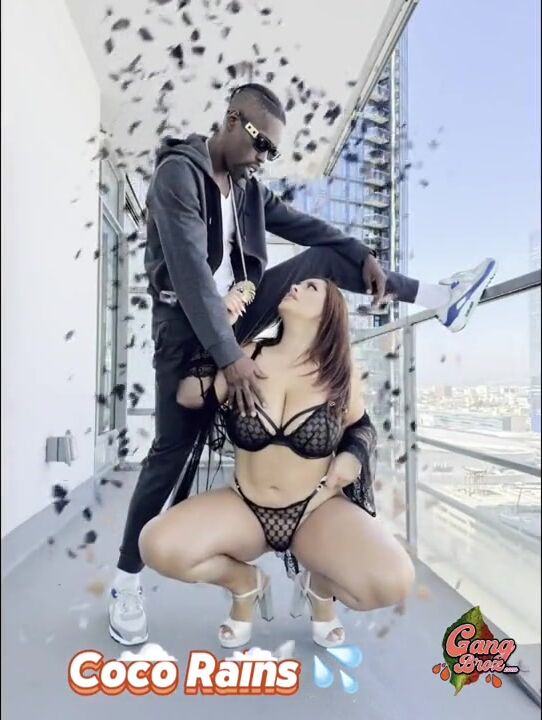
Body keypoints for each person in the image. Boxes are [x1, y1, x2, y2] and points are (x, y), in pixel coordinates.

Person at [107, 81, 497, 646]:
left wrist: (363, 255)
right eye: (261, 144)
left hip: (238, 318)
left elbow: (307, 228)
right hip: (187, 335)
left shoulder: (247, 190)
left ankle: (439, 297)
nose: (264, 158)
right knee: (169, 455)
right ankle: (125, 582)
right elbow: (190, 275)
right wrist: (229, 358)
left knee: (320, 258)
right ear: (233, 120)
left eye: (273, 152)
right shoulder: (179, 175)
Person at [139, 278, 414, 649]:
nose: (296, 286)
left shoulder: (338, 375)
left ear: (329, 312)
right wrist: (219, 332)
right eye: (299, 283)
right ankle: (245, 584)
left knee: (393, 581)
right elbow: (189, 397)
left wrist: (352, 456)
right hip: (245, 507)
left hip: (315, 510)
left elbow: (359, 426)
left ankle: (319, 588)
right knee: (157, 545)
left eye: (311, 288)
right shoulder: (247, 356)